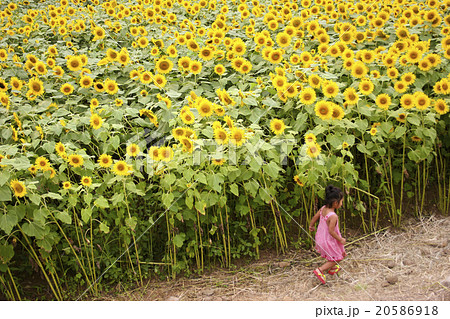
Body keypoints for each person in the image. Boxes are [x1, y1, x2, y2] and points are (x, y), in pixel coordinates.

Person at [309, 185, 346, 284]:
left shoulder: (323, 209)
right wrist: (340, 239)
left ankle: (332, 268)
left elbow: (315, 217)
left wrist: (311, 226)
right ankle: (320, 270)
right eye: (341, 201)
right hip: (328, 239)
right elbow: (331, 231)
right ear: (335, 203)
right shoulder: (333, 216)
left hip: (320, 237)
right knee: (337, 258)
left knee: (336, 254)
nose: (342, 204)